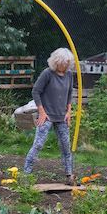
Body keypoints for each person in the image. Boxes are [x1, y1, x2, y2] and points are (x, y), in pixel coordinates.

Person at [24, 48, 75, 184]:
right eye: (65, 62)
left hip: (62, 116)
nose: (67, 65)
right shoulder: (47, 74)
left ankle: (69, 175)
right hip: (46, 116)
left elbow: (70, 93)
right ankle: (26, 174)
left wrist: (69, 111)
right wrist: (41, 111)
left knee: (66, 146)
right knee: (39, 144)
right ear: (57, 62)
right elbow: (36, 91)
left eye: (68, 63)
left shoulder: (69, 74)